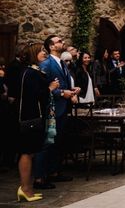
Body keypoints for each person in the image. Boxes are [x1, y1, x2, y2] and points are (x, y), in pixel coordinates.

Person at [8, 43, 58, 202]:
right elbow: (34, 95)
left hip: (33, 117)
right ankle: (25, 189)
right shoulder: (30, 73)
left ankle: (27, 188)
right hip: (29, 118)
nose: (45, 53)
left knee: (30, 152)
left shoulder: (33, 71)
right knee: (26, 152)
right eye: (41, 51)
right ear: (33, 54)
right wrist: (50, 88)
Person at [35, 35, 78, 189]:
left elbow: (63, 83)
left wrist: (72, 91)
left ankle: (53, 172)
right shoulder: (46, 64)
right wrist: (61, 93)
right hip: (51, 108)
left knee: (57, 142)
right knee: (47, 142)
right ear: (51, 46)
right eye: (60, 41)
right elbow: (42, 88)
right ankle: (39, 177)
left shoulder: (62, 63)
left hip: (63, 108)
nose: (63, 42)